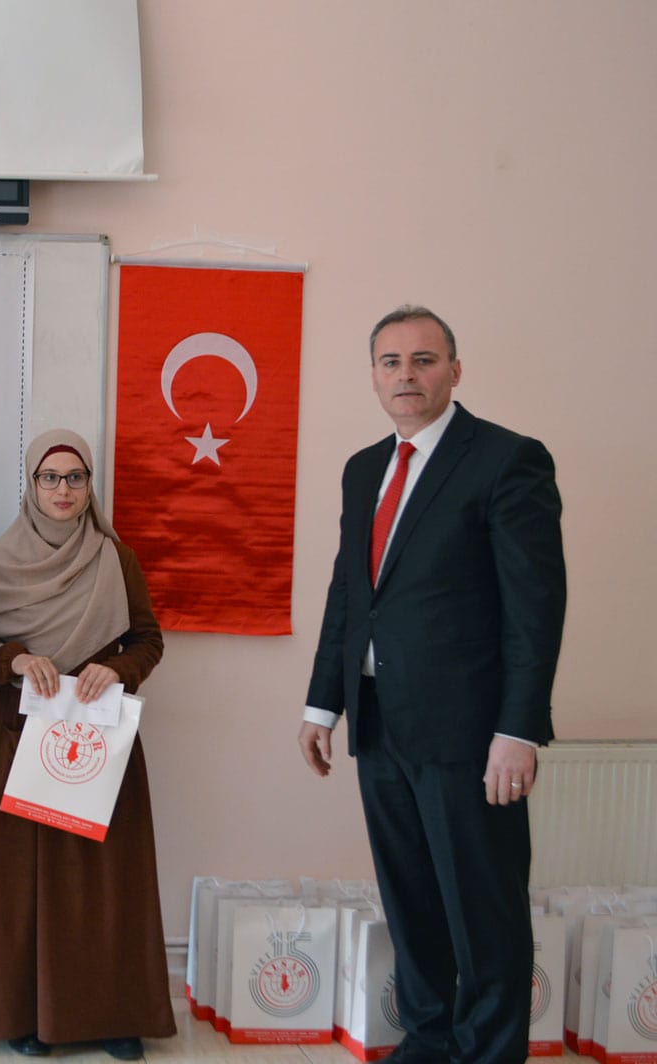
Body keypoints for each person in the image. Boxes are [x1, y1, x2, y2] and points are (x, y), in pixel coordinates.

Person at [299, 306, 566, 1064]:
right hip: (380, 723)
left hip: (471, 733)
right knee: (411, 899)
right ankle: (428, 1037)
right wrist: (323, 704)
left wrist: (517, 729)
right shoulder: (364, 469)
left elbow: (535, 607)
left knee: (483, 909)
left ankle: (487, 1053)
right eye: (390, 362)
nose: (406, 375)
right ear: (374, 377)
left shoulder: (507, 460)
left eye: (423, 359)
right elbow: (351, 595)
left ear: (454, 369)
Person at [0, 429, 176, 1060]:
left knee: (108, 879)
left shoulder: (116, 558)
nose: (63, 489)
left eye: (75, 477)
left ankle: (114, 1017)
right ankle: (26, 1017)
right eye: (50, 477)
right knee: (26, 881)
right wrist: (15, 658)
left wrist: (117, 669)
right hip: (21, 731)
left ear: (89, 487)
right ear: (31, 485)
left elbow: (148, 639)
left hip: (98, 728)